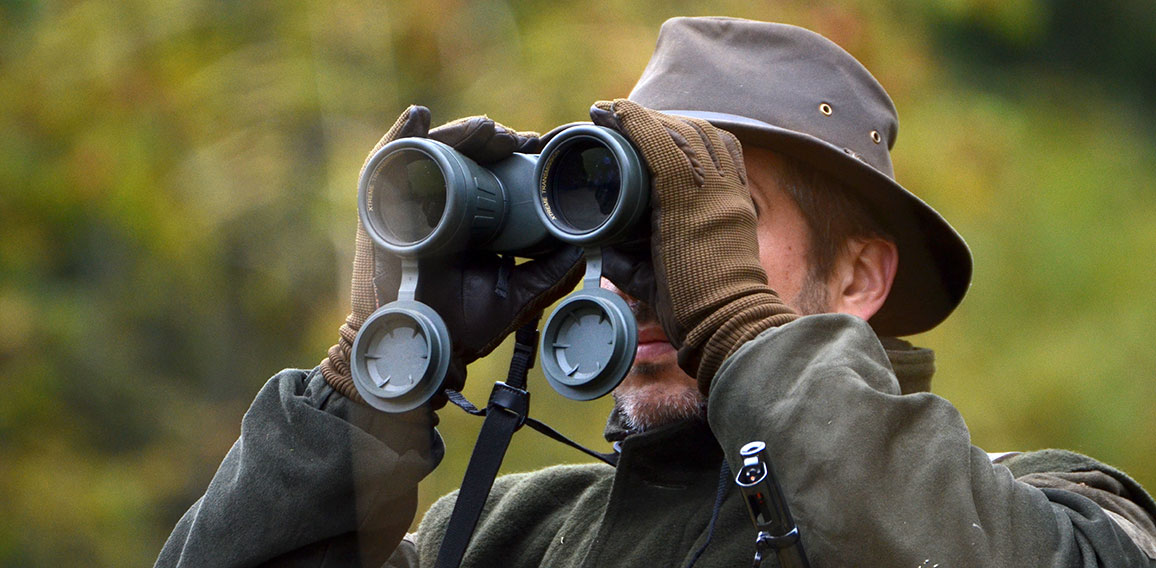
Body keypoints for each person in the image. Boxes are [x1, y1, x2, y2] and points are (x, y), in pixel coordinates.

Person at [156, 17, 1156, 567]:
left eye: (709, 211)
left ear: (855, 273)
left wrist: (736, 328)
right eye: (632, 211)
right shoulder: (514, 540)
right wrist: (366, 387)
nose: (651, 265)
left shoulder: (1049, 509)